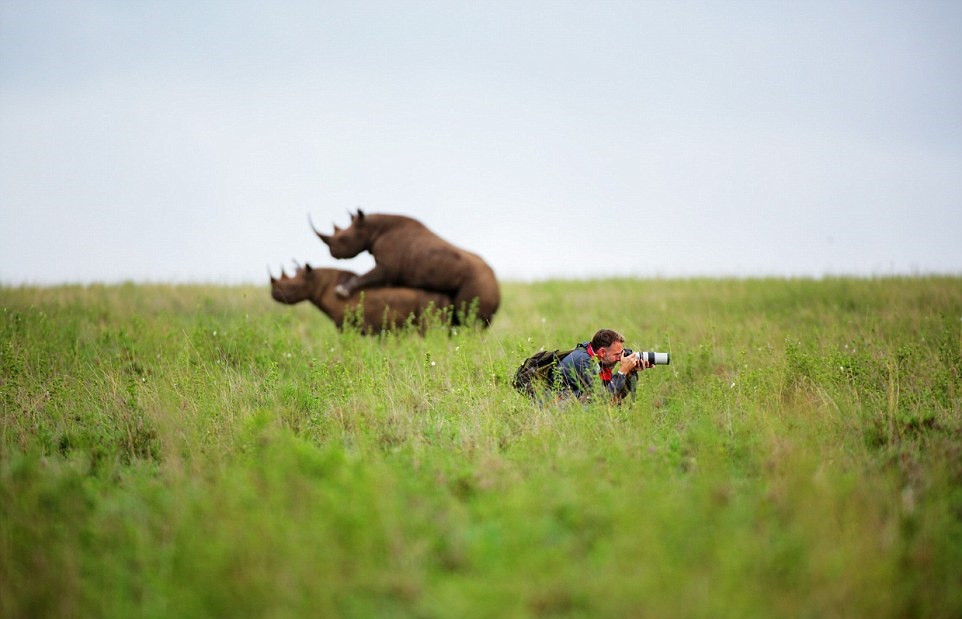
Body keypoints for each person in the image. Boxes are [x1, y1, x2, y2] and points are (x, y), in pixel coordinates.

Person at [553, 328, 650, 402]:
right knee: (590, 403)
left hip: (566, 402)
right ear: (603, 352)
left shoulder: (597, 359)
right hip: (553, 405)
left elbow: (616, 396)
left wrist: (630, 373)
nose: (619, 358)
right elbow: (602, 398)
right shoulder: (584, 361)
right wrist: (622, 372)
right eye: (616, 354)